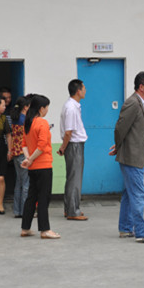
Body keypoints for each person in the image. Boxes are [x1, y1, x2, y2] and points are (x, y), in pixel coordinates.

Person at [109, 71, 144, 243]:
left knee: (129, 193)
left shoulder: (140, 103)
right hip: (132, 156)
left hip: (137, 155)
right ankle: (141, 232)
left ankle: (125, 228)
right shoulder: (132, 103)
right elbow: (120, 128)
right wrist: (119, 146)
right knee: (138, 195)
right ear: (141, 87)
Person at [20, 94, 60, 239]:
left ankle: (25, 228)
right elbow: (42, 146)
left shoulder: (28, 122)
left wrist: (28, 159)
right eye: (47, 107)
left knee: (31, 197)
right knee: (43, 197)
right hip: (43, 165)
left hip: (33, 167)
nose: (47, 110)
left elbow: (24, 144)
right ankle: (45, 230)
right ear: (41, 108)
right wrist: (30, 159)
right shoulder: (42, 123)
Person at [57, 79, 88, 221]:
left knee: (72, 178)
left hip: (74, 144)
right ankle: (72, 211)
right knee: (75, 179)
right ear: (78, 91)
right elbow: (68, 132)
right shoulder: (71, 108)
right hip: (74, 145)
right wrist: (63, 147)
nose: (85, 91)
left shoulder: (72, 105)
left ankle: (69, 208)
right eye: (84, 88)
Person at [10, 96, 31, 218]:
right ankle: (25, 211)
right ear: (25, 107)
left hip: (15, 152)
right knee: (26, 183)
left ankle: (17, 210)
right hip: (23, 152)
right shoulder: (25, 120)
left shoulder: (15, 118)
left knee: (19, 182)